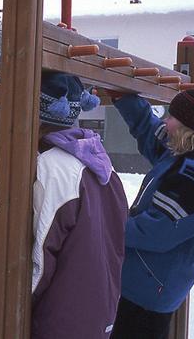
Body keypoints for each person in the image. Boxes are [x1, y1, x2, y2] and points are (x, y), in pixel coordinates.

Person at [107, 86, 194, 339]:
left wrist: (106, 227)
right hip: (145, 279)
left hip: (149, 290)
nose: (164, 121)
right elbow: (151, 131)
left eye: (171, 117)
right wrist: (125, 99)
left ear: (186, 127)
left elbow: (156, 233)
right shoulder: (180, 154)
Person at [30, 73, 128, 338]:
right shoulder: (104, 163)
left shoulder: (51, 166)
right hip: (98, 308)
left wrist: (14, 306)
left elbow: (40, 255)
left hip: (60, 315)